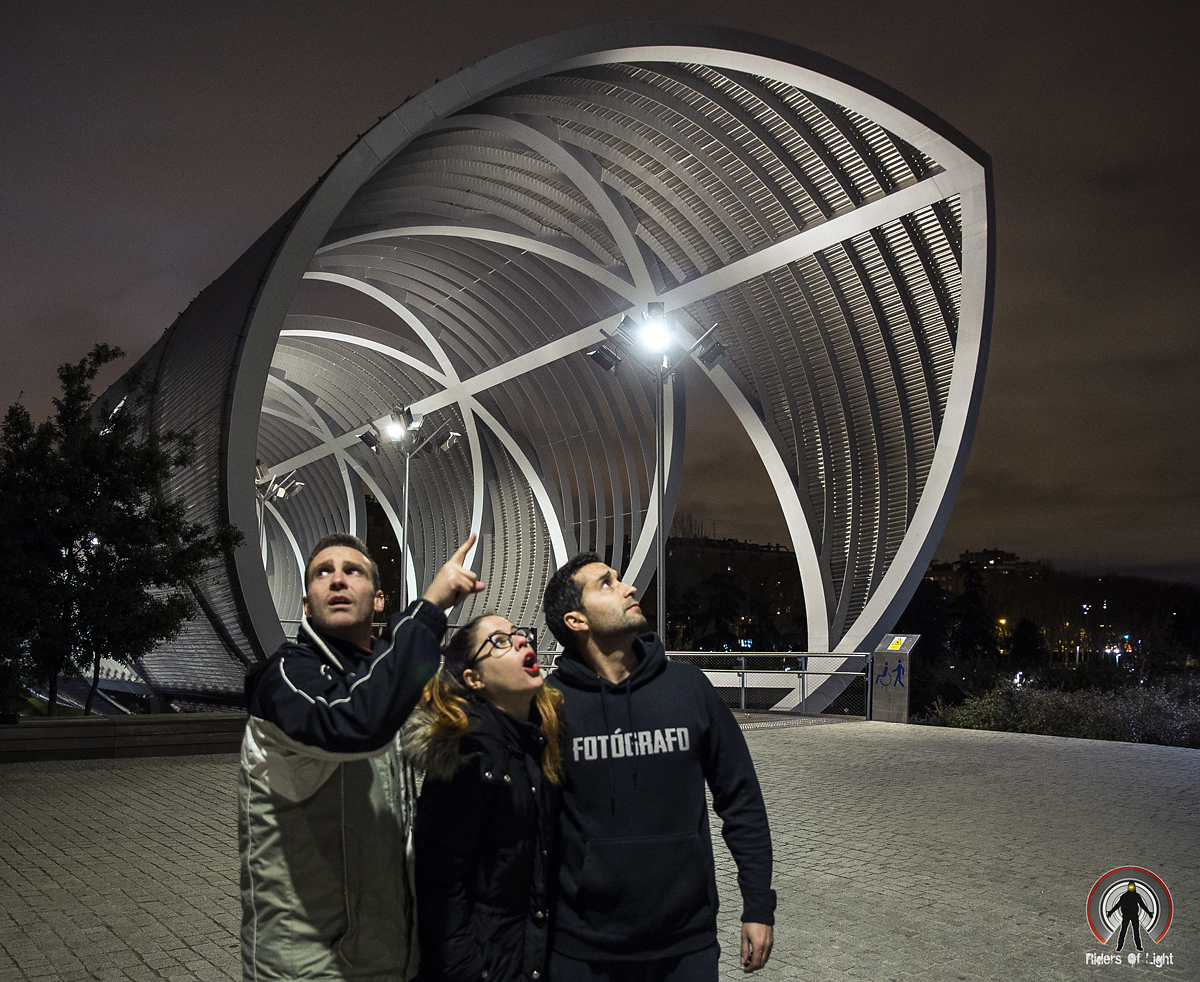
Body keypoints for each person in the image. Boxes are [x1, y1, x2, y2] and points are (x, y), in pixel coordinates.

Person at [239, 532, 484, 982]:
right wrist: (429, 608)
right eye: (323, 573)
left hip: (390, 954)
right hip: (310, 964)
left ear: (377, 600)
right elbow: (354, 723)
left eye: (352, 571)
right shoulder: (285, 678)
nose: (337, 580)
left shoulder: (380, 683)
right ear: (306, 604)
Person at [541, 553, 776, 980]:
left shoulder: (688, 687)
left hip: (685, 945)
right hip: (583, 950)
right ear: (576, 620)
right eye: (607, 583)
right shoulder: (549, 705)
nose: (629, 587)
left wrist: (758, 905)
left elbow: (741, 800)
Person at [405, 613, 565, 981]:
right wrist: (469, 969)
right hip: (487, 968)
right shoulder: (470, 754)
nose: (522, 641)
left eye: (518, 634)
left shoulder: (538, 742)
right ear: (473, 678)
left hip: (524, 957)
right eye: (500, 642)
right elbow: (440, 883)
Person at [1108, 882, 1152, 952]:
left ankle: (1138, 946)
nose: (1131, 888)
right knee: (1124, 930)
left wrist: (1149, 913)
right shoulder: (1125, 896)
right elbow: (1118, 905)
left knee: (1135, 931)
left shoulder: (1136, 896)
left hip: (1134, 915)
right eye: (1130, 886)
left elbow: (1142, 905)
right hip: (1127, 915)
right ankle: (1119, 946)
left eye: (1132, 886)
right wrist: (1111, 912)